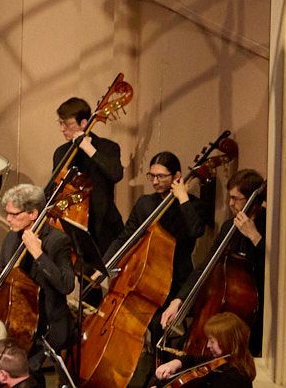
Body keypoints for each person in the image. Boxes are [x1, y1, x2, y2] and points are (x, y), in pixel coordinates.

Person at [161, 169, 265, 353]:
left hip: (252, 316)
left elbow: (272, 269)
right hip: (222, 308)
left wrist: (255, 237)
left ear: (252, 200)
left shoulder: (267, 226)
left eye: (236, 198)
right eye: (230, 197)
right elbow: (206, 266)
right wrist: (179, 300)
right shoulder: (228, 227)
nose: (230, 203)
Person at [0, 182, 76, 359]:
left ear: (33, 214)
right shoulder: (11, 237)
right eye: (7, 213)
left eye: (13, 214)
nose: (8, 219)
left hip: (46, 323)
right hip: (14, 318)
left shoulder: (57, 241)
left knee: (24, 365)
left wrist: (38, 254)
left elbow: (67, 285)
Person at [116, 150, 211, 292]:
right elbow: (126, 236)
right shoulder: (144, 203)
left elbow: (196, 231)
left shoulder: (193, 205)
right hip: (144, 276)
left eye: (161, 176)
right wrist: (106, 264)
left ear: (177, 176)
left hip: (177, 280)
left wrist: (183, 198)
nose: (155, 181)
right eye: (152, 176)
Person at [50, 95, 125, 252]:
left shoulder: (108, 147)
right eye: (60, 123)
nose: (62, 129)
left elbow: (116, 174)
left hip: (103, 229)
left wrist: (89, 149)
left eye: (67, 124)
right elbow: (55, 189)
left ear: (83, 123)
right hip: (72, 228)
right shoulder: (61, 153)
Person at [153, 313, 256, 388]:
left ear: (226, 342)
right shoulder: (219, 360)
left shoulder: (235, 379)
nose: (207, 345)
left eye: (212, 341)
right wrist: (174, 364)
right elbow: (192, 359)